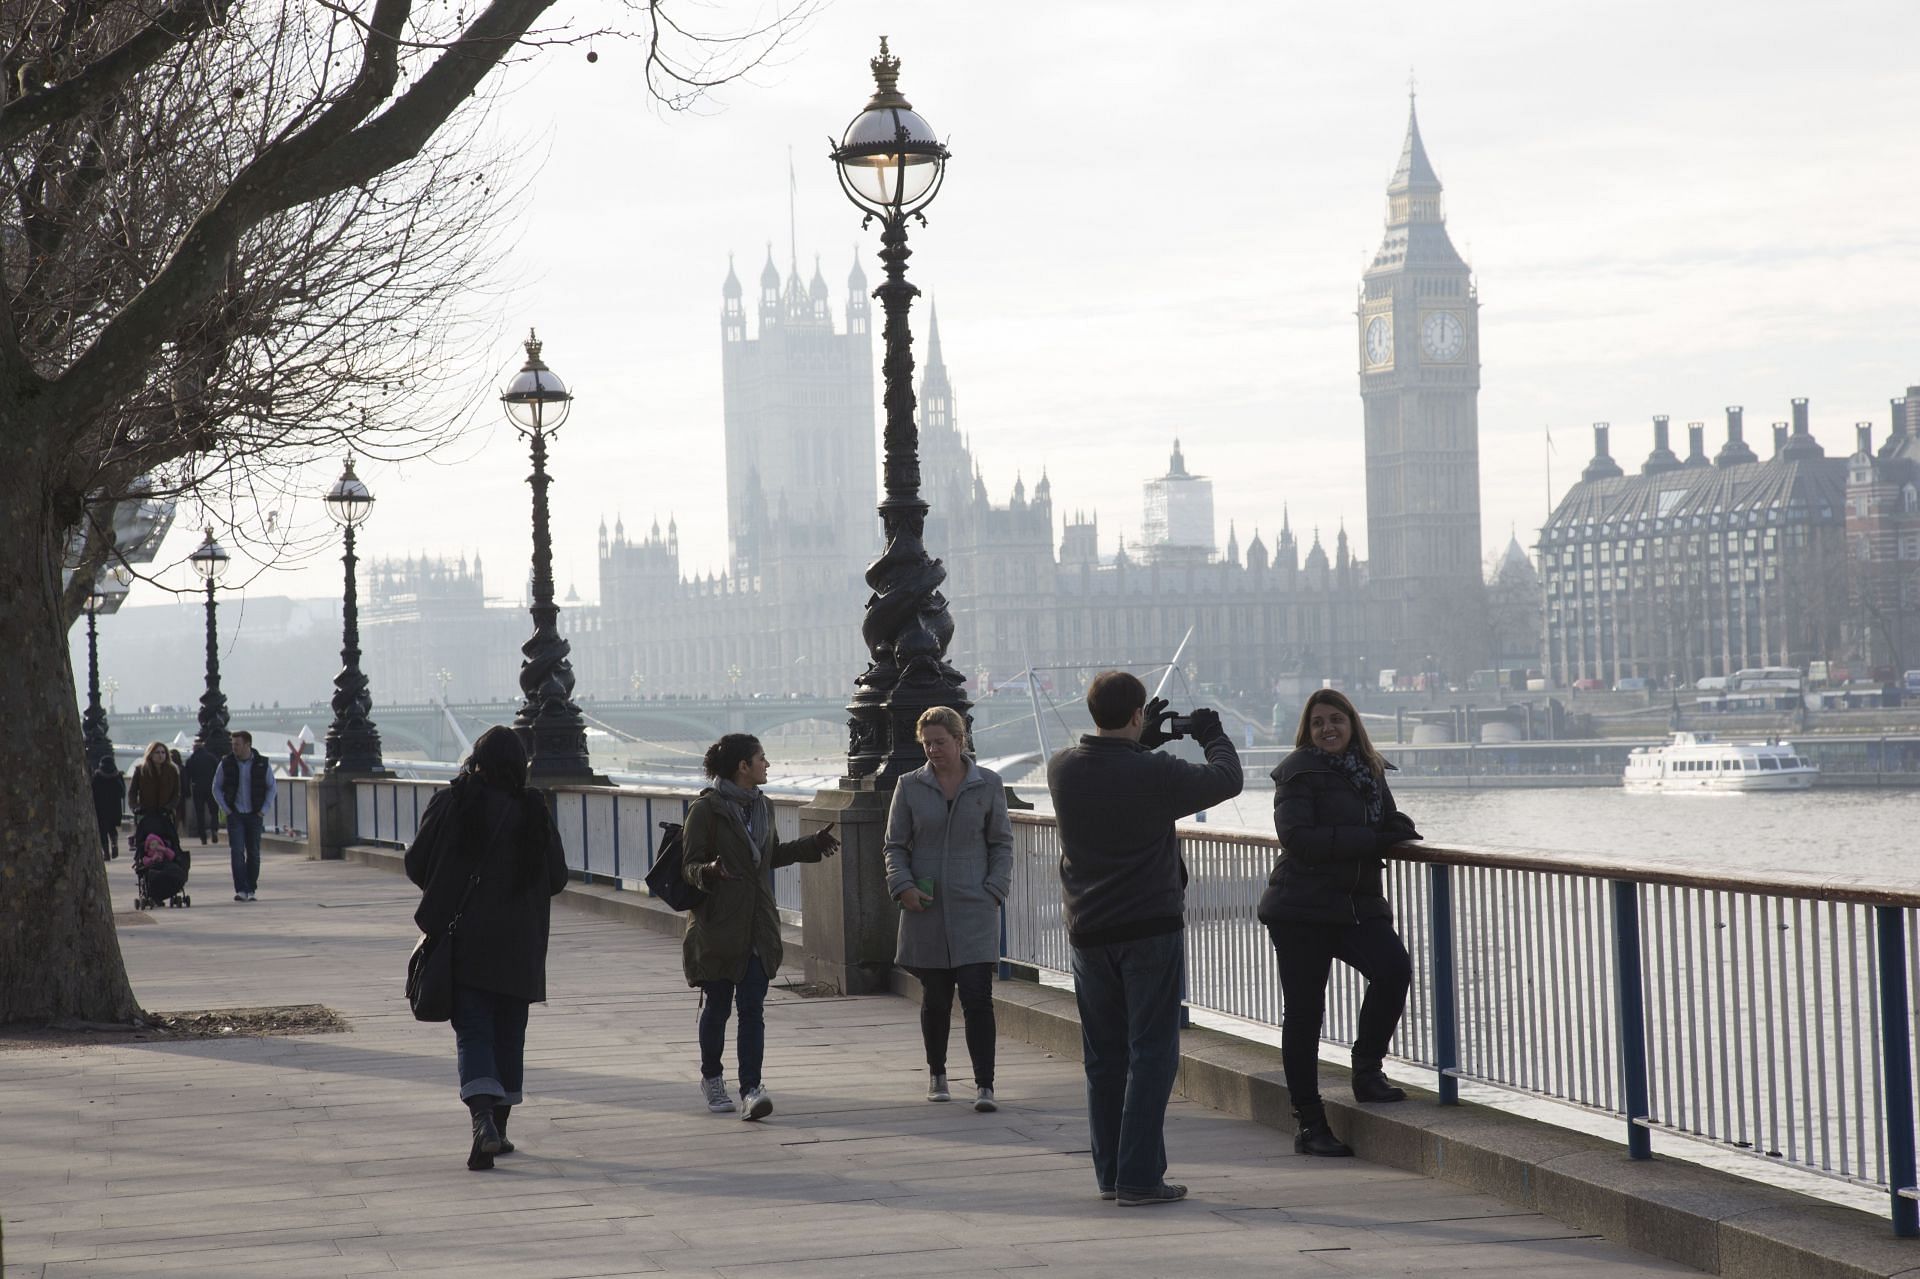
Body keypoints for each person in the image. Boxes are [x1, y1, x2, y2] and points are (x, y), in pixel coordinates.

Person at [1047, 671, 1243, 1207]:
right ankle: (1140, 1177)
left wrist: (1141, 740)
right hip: (1149, 931)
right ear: (1137, 715)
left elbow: (1113, 775)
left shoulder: (1061, 768)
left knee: (1104, 1058)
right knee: (1152, 1053)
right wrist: (1210, 732)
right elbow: (1227, 777)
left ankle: (1112, 1174)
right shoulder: (1155, 773)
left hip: (1088, 931)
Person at [1257, 688, 1421, 1158]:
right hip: (1301, 908)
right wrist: (1370, 838)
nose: (1328, 728)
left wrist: (1397, 826)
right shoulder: (1296, 773)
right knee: (1305, 1017)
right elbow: (1297, 838)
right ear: (1307, 732)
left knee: (1394, 969)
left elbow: (1383, 821)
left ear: (1353, 725)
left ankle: (1367, 1070)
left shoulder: (1370, 769)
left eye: (1337, 720)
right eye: (1318, 723)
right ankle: (1310, 1123)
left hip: (1355, 905)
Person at [404, 726, 568, 1171]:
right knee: (510, 1034)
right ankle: (501, 1125)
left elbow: (417, 865)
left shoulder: (453, 802)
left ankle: (482, 1122)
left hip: (466, 940)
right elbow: (557, 878)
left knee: (474, 1032)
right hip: (521, 944)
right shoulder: (533, 808)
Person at [681, 733, 840, 1121]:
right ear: (743, 766)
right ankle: (712, 1078)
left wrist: (810, 845)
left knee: (752, 1009)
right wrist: (709, 872)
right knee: (717, 1007)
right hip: (718, 928)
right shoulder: (707, 810)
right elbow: (688, 867)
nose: (767, 765)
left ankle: (752, 1088)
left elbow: (769, 857)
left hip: (757, 927)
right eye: (762, 759)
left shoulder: (763, 807)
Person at [883, 706, 1014, 1112]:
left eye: (940, 742)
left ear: (960, 741)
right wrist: (902, 886)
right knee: (935, 997)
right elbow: (893, 846)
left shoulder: (988, 785)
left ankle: (985, 1085)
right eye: (927, 744)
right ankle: (937, 1074)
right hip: (926, 907)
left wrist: (994, 888)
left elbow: (1002, 843)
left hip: (975, 906)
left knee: (978, 997)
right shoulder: (909, 786)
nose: (933, 750)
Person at [213, 730, 276, 902]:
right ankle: (241, 889)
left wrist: (264, 809)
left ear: (248, 745)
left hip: (255, 814)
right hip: (236, 815)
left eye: (237, 744)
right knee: (237, 852)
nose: (234, 748)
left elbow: (272, 787)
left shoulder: (262, 763)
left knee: (254, 853)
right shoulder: (226, 763)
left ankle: (251, 888)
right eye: (233, 745)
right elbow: (216, 787)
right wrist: (226, 809)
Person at [127, 741, 179, 823]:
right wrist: (135, 807)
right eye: (157, 752)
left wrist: (169, 807)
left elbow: (176, 793)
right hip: (146, 813)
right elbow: (132, 792)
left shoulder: (172, 771)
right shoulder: (141, 770)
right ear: (150, 754)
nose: (160, 755)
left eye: (163, 752)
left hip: (165, 814)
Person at [182, 742, 221, 845]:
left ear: (194, 749)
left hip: (197, 787)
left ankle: (203, 836)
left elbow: (187, 777)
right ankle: (214, 829)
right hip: (211, 787)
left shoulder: (191, 760)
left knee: (200, 813)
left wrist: (187, 791)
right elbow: (218, 772)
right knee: (214, 811)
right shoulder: (211, 758)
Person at [89, 755, 125, 860]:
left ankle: (106, 853)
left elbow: (92, 791)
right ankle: (114, 843)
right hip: (115, 807)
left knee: (102, 831)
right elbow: (122, 793)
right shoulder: (117, 776)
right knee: (112, 828)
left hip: (101, 807)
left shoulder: (97, 776)